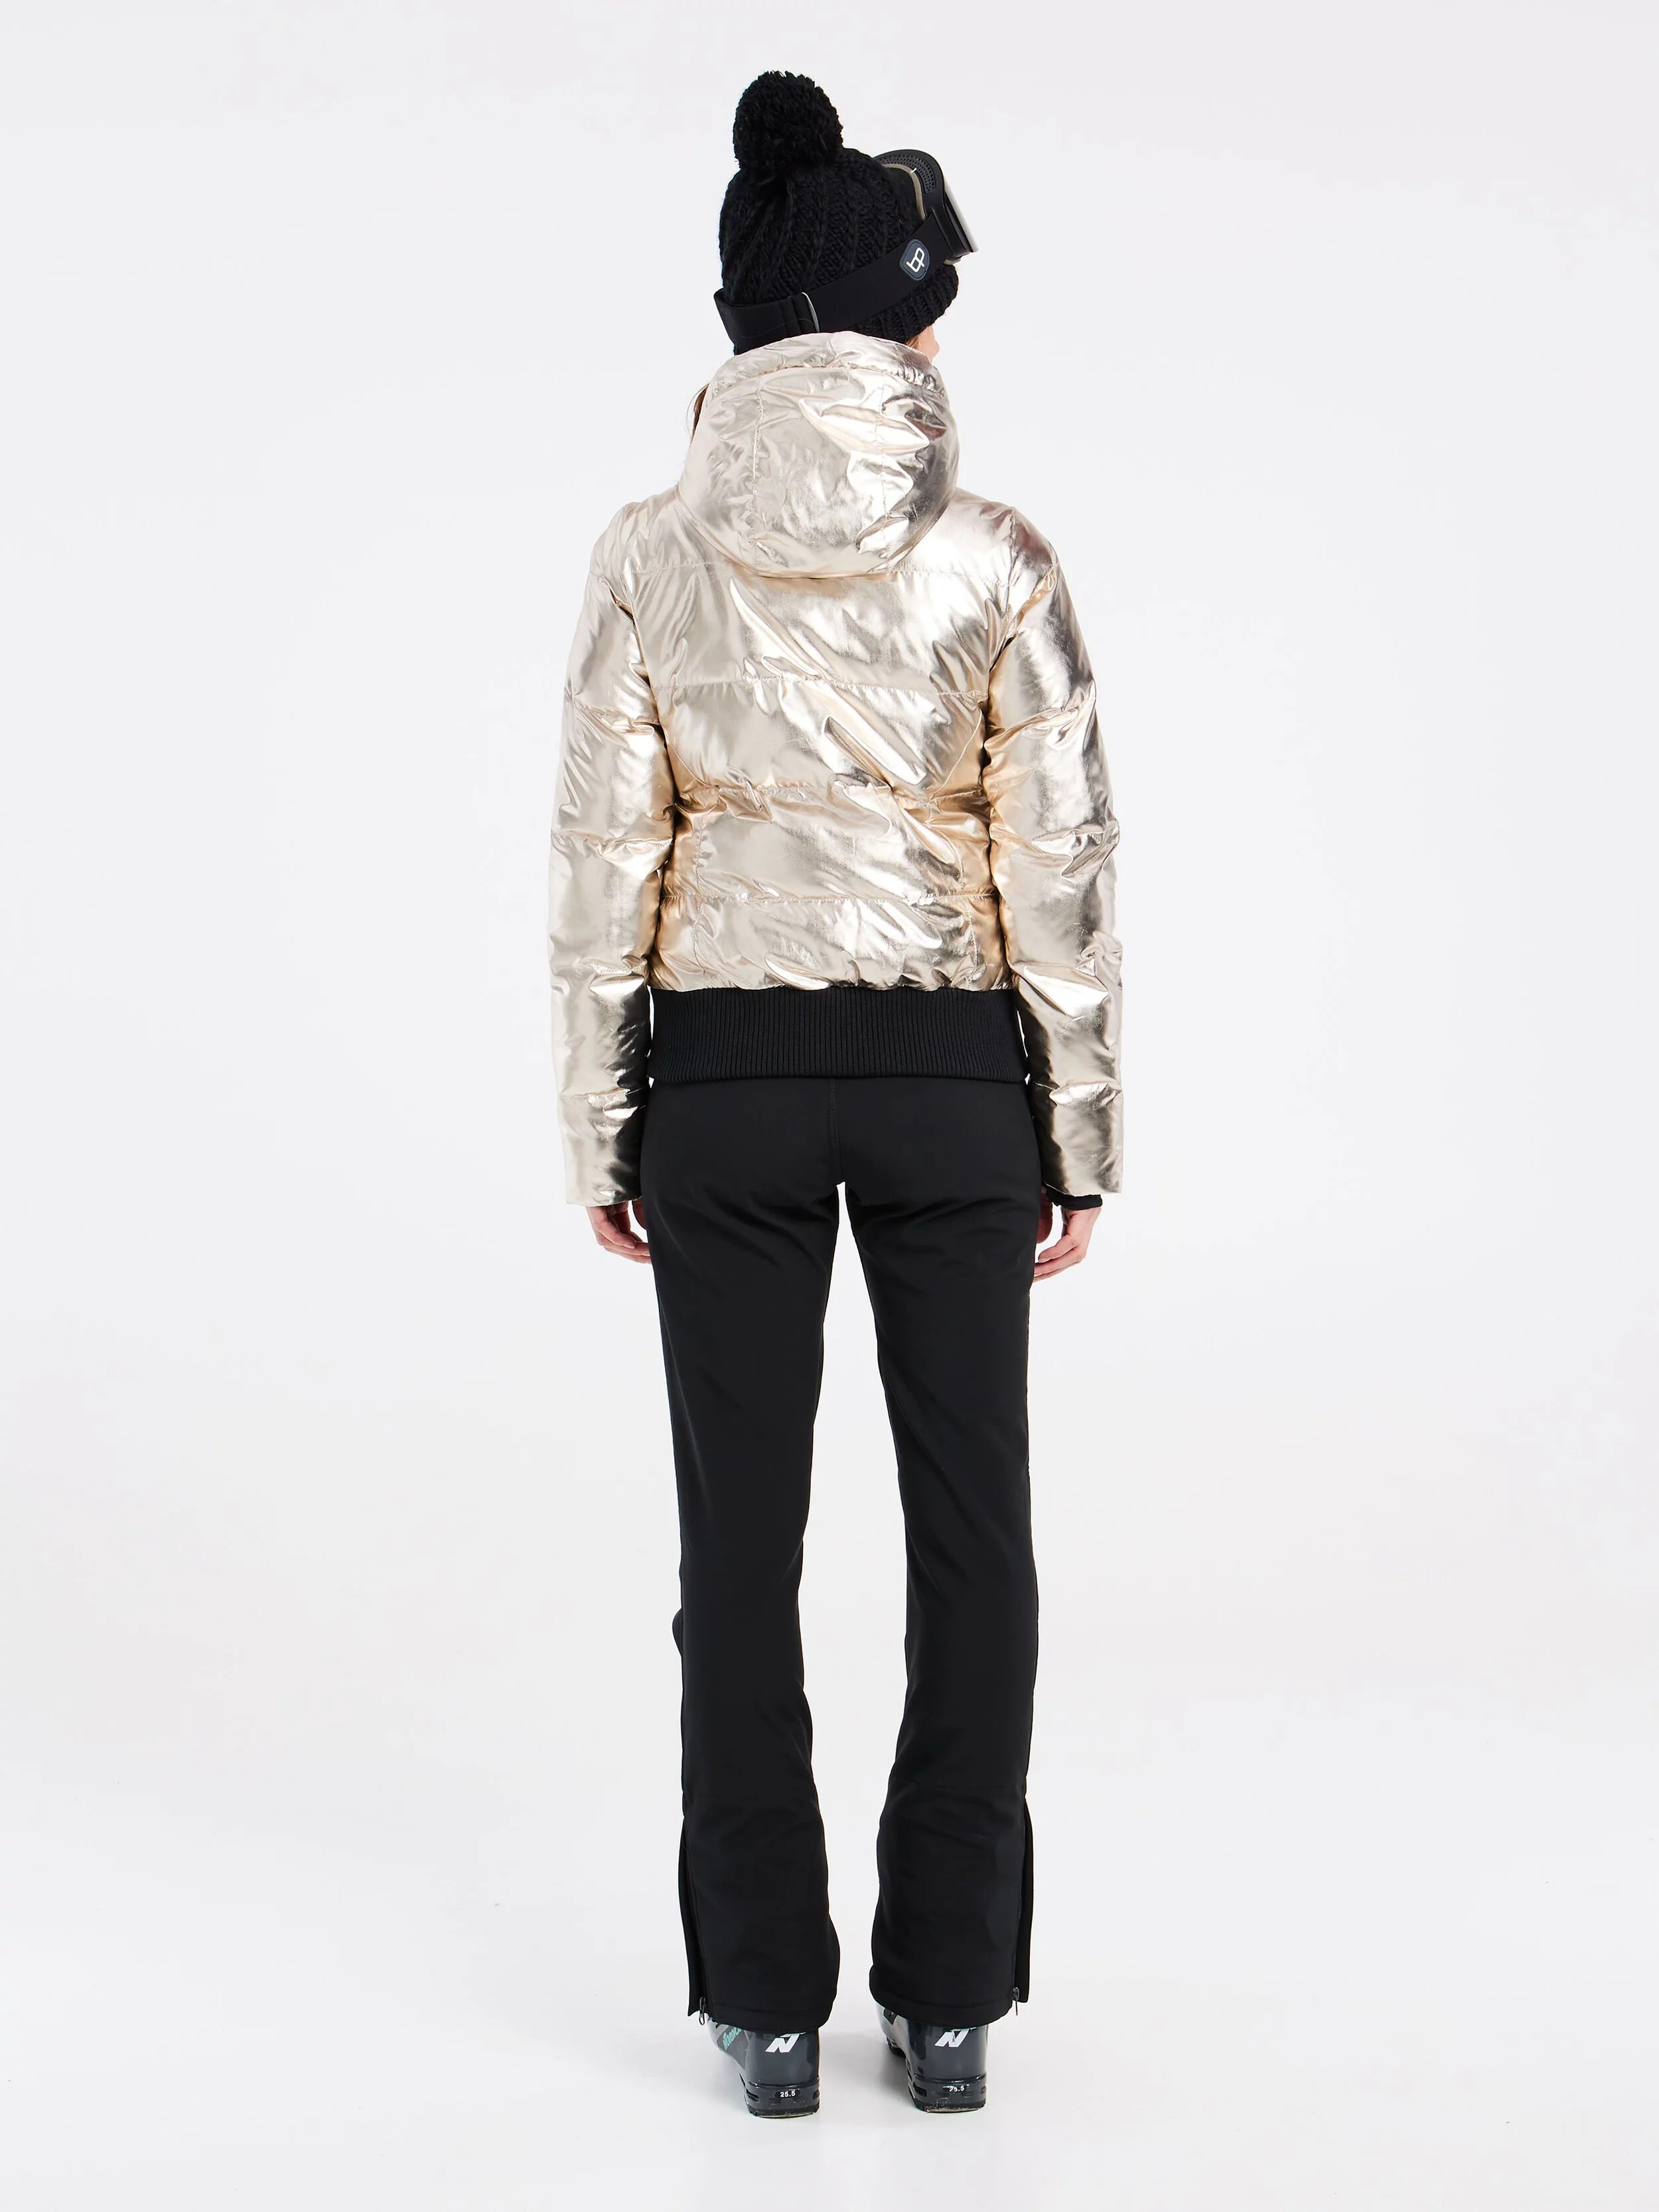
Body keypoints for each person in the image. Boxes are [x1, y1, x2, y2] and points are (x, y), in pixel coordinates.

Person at [548, 70, 1121, 2119]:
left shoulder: (646, 555)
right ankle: (947, 2003)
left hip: (726, 1090)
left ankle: (767, 2004)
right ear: (899, 322)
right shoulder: (997, 557)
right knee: (975, 1539)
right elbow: (1056, 857)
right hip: (954, 1085)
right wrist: (1075, 1130)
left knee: (740, 1550)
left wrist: (604, 1119)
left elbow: (603, 859)